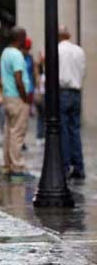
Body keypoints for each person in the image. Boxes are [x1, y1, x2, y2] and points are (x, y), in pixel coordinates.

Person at [0, 27, 32, 177]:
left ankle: (7, 164)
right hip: (17, 97)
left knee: (9, 131)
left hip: (7, 96)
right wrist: (24, 96)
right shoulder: (17, 54)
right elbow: (18, 78)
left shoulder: (5, 52)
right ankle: (17, 166)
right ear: (20, 38)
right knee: (17, 133)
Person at [58, 26, 86, 179]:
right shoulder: (79, 50)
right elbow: (83, 71)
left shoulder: (57, 50)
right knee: (74, 129)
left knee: (62, 129)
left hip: (63, 91)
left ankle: (65, 165)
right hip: (76, 91)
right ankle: (79, 166)